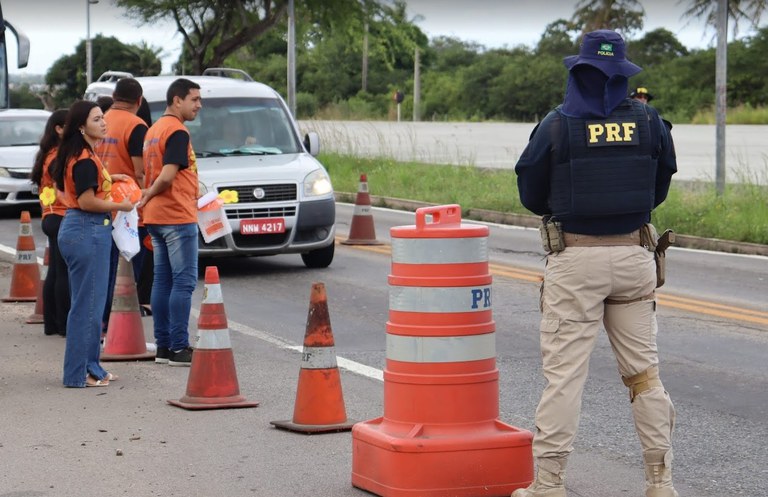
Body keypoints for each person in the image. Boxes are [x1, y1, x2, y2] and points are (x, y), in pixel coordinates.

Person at [513, 30, 678, 497]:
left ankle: (548, 485)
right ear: (625, 76)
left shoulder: (557, 125)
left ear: (577, 71)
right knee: (644, 374)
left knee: (564, 377)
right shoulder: (650, 121)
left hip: (575, 258)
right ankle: (660, 483)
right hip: (634, 254)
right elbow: (658, 185)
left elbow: (529, 191)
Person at [51, 100, 135, 388]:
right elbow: (86, 200)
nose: (103, 122)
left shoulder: (82, 154)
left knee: (91, 304)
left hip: (83, 229)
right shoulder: (84, 159)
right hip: (86, 230)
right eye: (97, 119)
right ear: (81, 127)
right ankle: (78, 374)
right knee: (87, 307)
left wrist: (115, 178)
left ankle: (91, 367)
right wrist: (120, 205)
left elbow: (87, 187)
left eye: (102, 118)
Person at [139, 78, 202, 367]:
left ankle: (163, 347)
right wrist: (149, 194)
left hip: (157, 216)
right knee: (183, 282)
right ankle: (179, 348)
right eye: (194, 99)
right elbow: (166, 176)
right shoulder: (177, 131)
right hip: (176, 215)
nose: (198, 105)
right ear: (177, 100)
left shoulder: (153, 130)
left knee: (162, 281)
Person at [95, 78, 149, 331]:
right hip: (127, 207)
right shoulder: (136, 125)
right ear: (139, 101)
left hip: (101, 202)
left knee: (107, 266)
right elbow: (140, 172)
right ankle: (118, 321)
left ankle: (103, 320)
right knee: (127, 267)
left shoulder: (101, 119)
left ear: (115, 96)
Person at [30, 109, 69, 337]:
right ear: (59, 129)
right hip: (60, 215)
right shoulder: (56, 157)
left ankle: (52, 323)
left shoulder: (48, 154)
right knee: (62, 273)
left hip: (50, 216)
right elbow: (61, 187)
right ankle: (63, 324)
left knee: (55, 271)